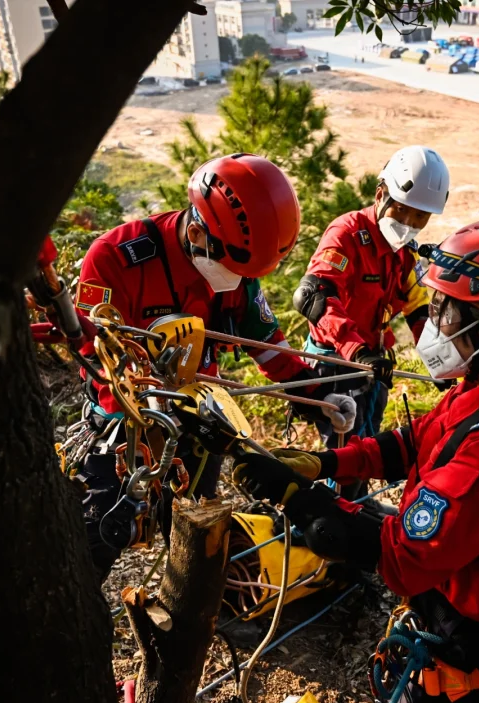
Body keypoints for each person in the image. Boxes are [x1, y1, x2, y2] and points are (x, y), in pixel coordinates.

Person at [234, 216, 479, 703]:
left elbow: (400, 559)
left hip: (472, 669)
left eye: (444, 310)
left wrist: (297, 497)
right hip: (456, 622)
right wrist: (324, 462)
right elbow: (413, 442)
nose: (433, 323)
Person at [73, 153, 352, 573]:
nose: (234, 280)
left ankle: (188, 620)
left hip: (199, 425)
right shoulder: (116, 259)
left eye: (245, 272)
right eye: (230, 267)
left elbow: (264, 342)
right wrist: (149, 406)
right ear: (197, 230)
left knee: (197, 538)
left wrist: (315, 395)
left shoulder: (236, 261)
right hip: (123, 431)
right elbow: (94, 354)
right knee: (98, 542)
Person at [295, 146, 449, 448]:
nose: (408, 223)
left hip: (374, 363)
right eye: (401, 209)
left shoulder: (404, 253)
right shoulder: (346, 236)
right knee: (344, 450)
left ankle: (358, 497)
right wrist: (357, 351)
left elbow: (418, 309)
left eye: (420, 216)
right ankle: (341, 497)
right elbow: (315, 296)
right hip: (335, 362)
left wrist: (441, 361)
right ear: (381, 195)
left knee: (369, 443)